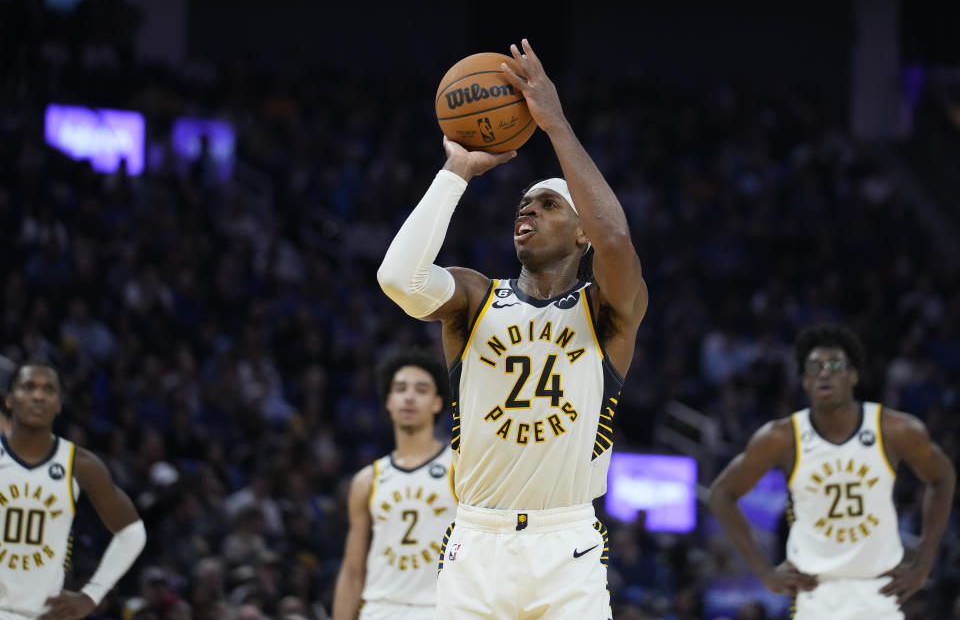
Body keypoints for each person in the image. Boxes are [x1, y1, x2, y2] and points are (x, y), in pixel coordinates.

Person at [377, 39, 648, 619]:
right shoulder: (475, 298)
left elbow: (617, 241)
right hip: (475, 539)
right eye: (525, 203)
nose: (527, 210)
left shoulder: (607, 312)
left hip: (566, 542)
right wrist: (456, 170)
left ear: (582, 234)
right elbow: (399, 278)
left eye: (549, 204)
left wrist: (554, 125)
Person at [708, 324, 955, 620]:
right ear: (804, 381)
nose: (825, 373)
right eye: (814, 367)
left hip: (879, 600)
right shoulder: (780, 437)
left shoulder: (895, 430)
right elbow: (722, 493)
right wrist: (765, 572)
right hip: (815, 601)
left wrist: (924, 564)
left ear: (853, 376)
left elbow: (942, 477)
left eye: (835, 365)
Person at [1, 361, 147, 619]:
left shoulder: (80, 464)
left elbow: (132, 532)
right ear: (9, 400)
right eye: (28, 387)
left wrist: (91, 595)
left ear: (58, 404)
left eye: (49, 390)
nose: (38, 396)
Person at [332, 350, 457, 620]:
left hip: (439, 610)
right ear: (388, 401)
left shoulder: (460, 468)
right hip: (379, 609)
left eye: (421, 390)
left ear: (437, 403)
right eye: (400, 389)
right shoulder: (368, 480)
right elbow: (353, 573)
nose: (409, 397)